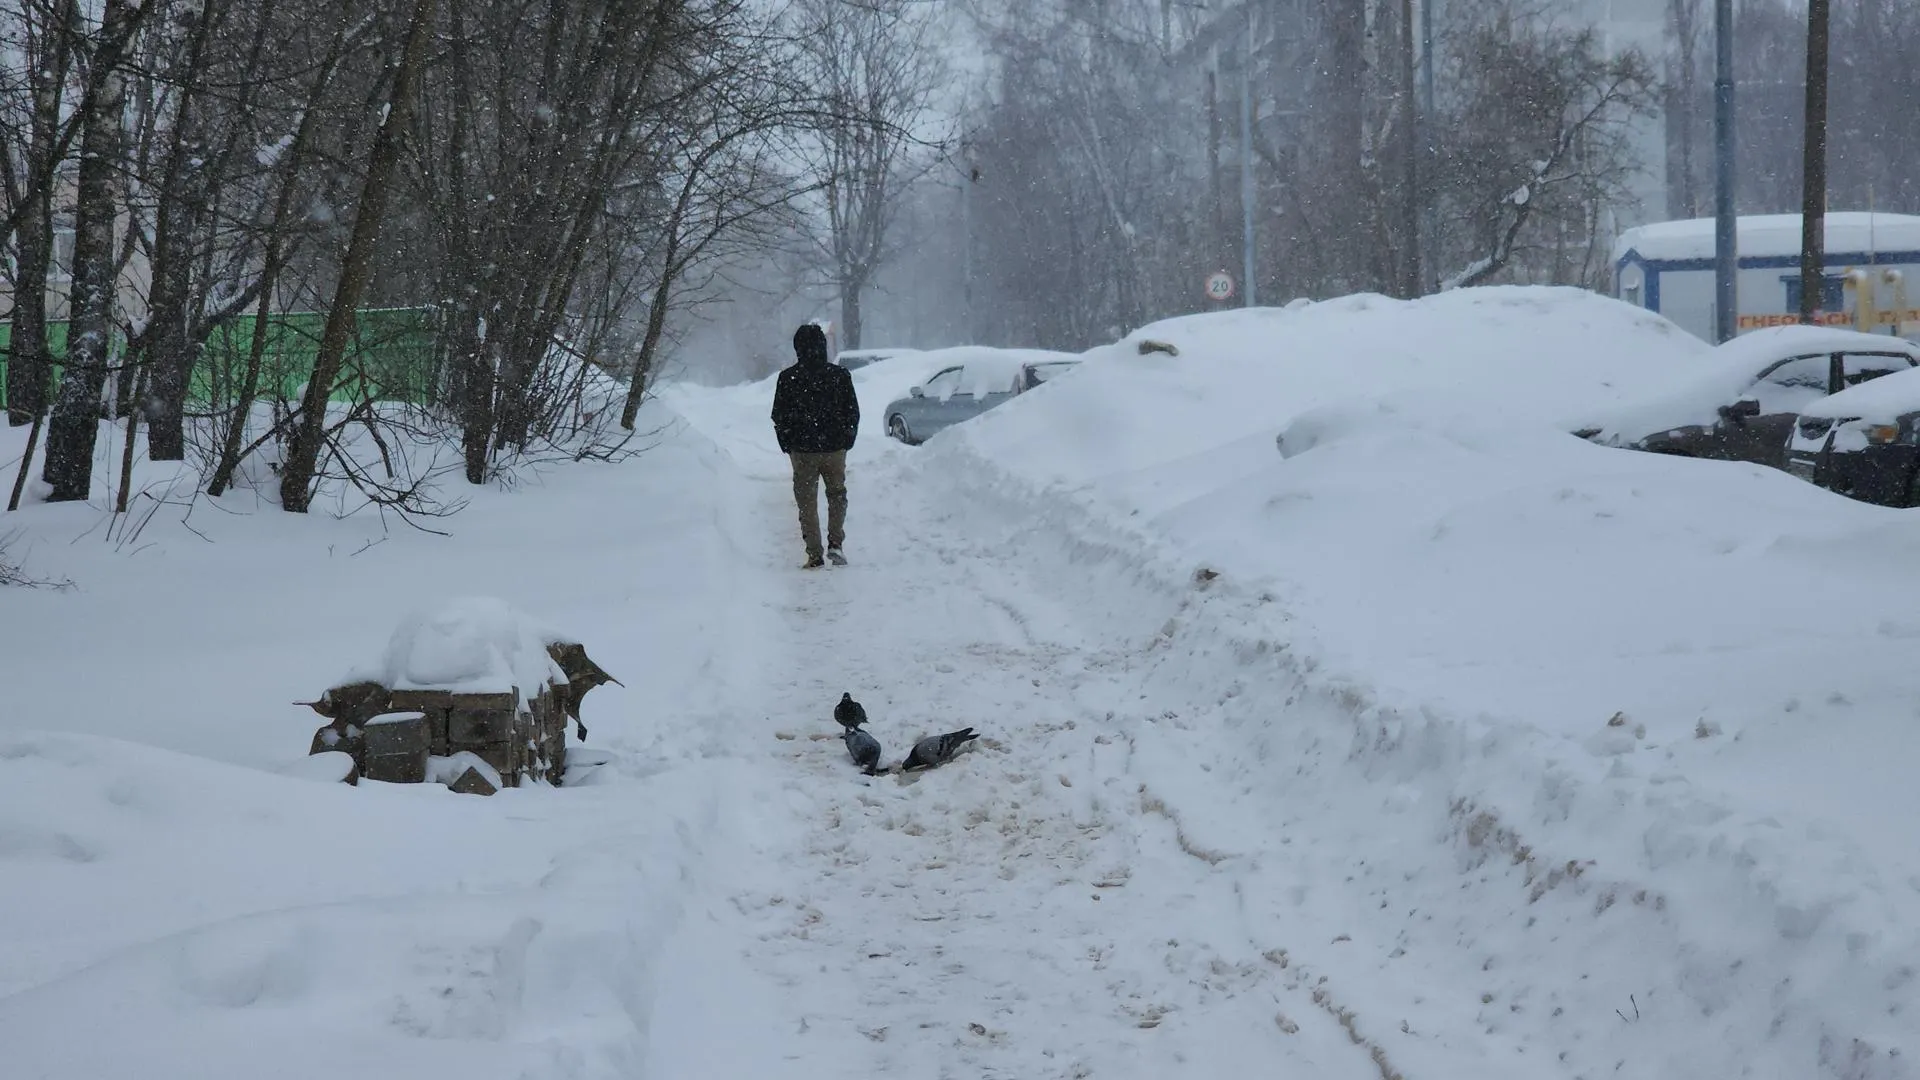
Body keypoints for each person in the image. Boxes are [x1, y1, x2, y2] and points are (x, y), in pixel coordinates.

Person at [771, 323, 860, 568]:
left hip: (802, 451)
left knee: (806, 503)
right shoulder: (840, 376)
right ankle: (836, 544)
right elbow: (852, 411)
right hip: (834, 448)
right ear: (823, 346)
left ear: (798, 348)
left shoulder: (788, 379)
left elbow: (779, 415)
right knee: (837, 495)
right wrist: (846, 438)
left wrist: (787, 442)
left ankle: (814, 553)